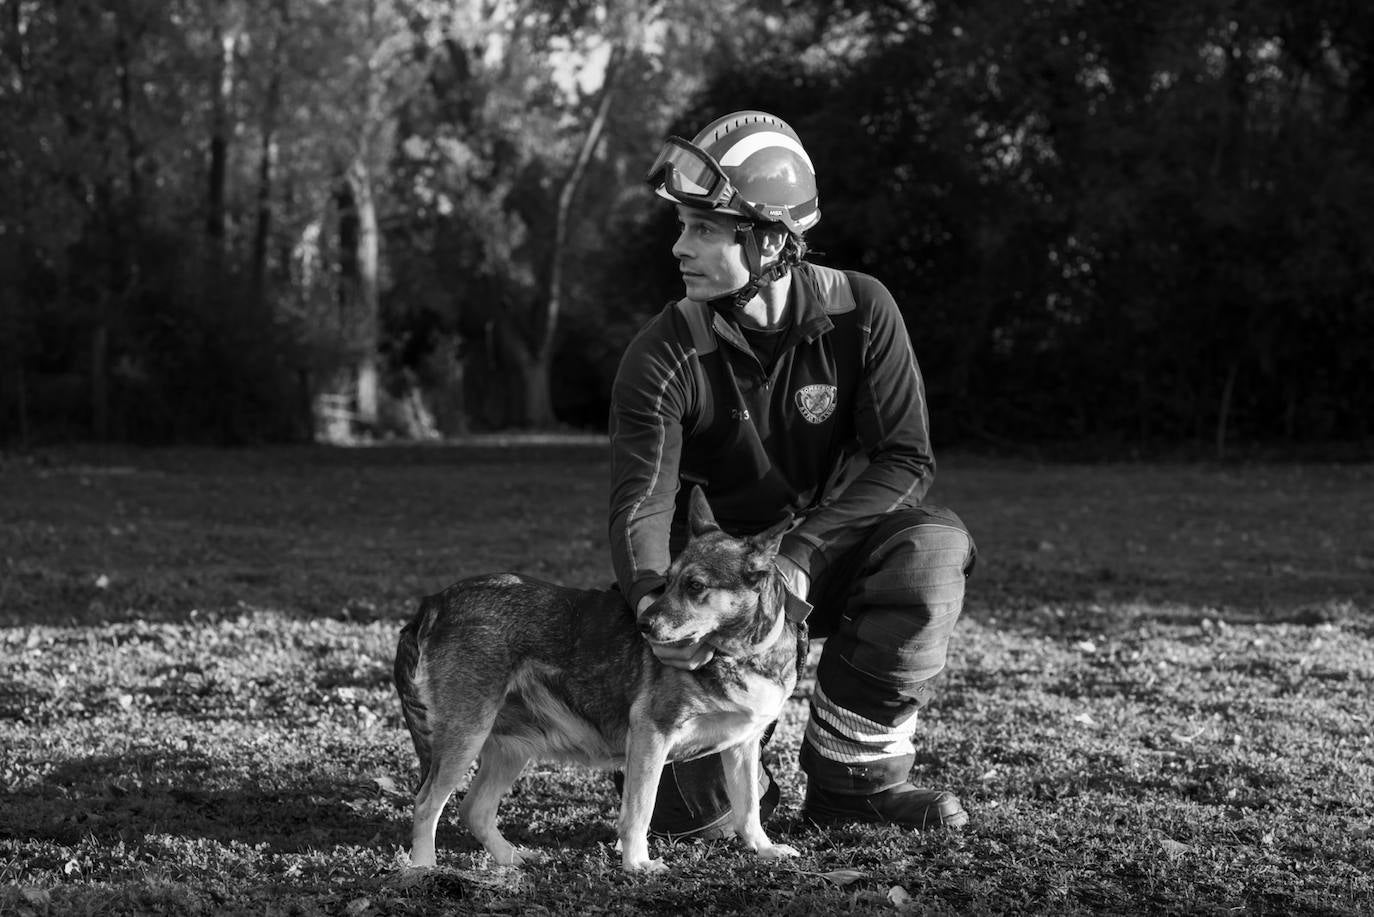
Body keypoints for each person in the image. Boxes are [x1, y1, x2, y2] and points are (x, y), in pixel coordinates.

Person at [608, 110, 976, 837]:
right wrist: (657, 605)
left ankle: (855, 781)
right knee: (706, 823)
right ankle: (717, 778)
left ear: (770, 239)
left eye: (705, 229)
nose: (680, 247)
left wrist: (803, 554)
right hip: (707, 597)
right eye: (682, 226)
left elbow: (906, 458)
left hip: (817, 559)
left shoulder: (863, 308)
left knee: (929, 551)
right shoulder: (661, 353)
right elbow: (641, 507)